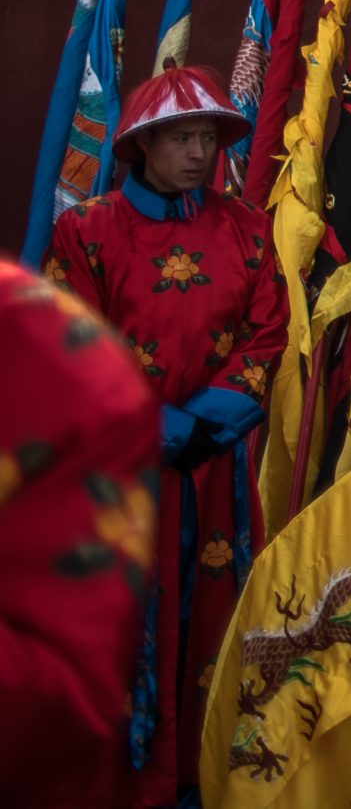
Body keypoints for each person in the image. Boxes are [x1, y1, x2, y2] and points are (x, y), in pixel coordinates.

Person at [41, 66, 288, 808]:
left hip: (213, 467)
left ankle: (199, 777)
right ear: (143, 143)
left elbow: (268, 335)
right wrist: (153, 426)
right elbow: (67, 341)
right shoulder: (86, 230)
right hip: (123, 468)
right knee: (121, 619)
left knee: (211, 619)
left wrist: (199, 425)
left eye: (207, 137)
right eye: (181, 136)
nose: (197, 152)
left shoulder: (247, 228)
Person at [0, 256, 160, 809]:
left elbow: (67, 710)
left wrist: (204, 415)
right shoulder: (90, 230)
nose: (199, 159)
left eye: (211, 156)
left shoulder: (76, 377)